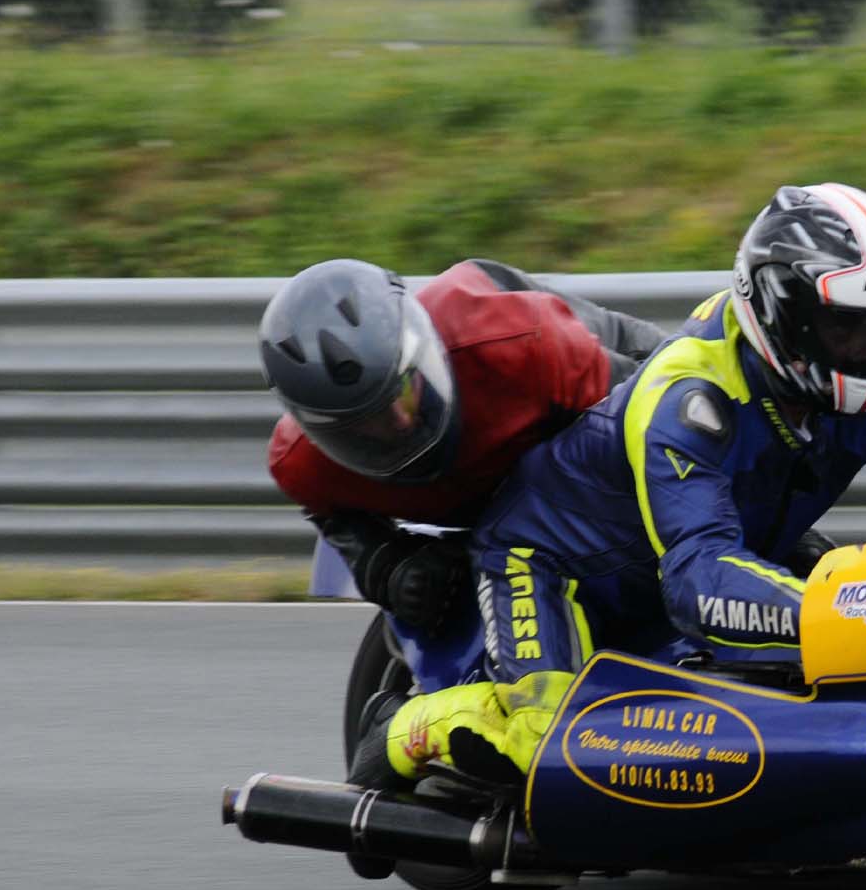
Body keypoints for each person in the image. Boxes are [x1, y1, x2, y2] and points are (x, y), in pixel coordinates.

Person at [348, 183, 866, 794]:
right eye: (847, 327)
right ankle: (409, 728)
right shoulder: (688, 397)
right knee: (551, 745)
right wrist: (853, 618)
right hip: (550, 567)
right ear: (783, 315)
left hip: (690, 561)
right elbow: (699, 586)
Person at [259, 257, 668, 635]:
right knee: (426, 594)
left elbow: (653, 419)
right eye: (368, 423)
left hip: (615, 376)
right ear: (321, 430)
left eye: (403, 392)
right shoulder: (300, 463)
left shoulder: (525, 348)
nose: (401, 422)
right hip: (492, 504)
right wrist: (389, 569)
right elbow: (341, 526)